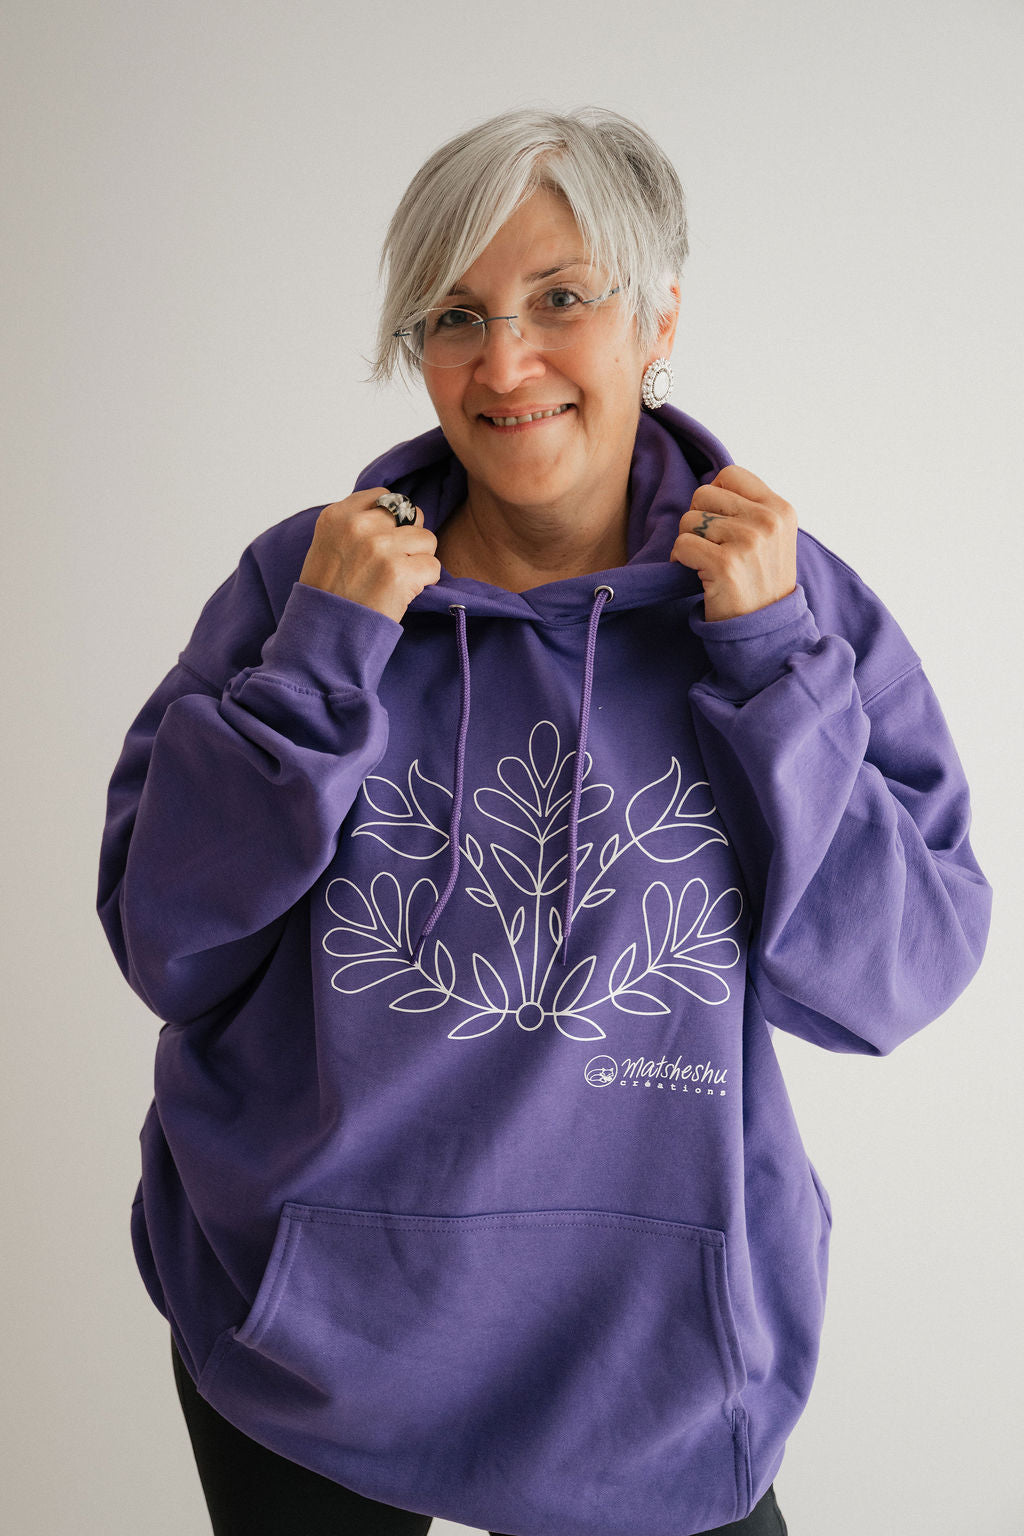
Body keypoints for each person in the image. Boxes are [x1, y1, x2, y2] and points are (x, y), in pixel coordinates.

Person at [96, 105, 992, 1536]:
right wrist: (324, 657)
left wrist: (771, 668)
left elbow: (894, 978)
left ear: (658, 319)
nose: (504, 364)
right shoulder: (307, 580)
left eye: (561, 299)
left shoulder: (786, 603)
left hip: (645, 1354)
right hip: (310, 1331)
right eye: (457, 316)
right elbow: (171, 944)